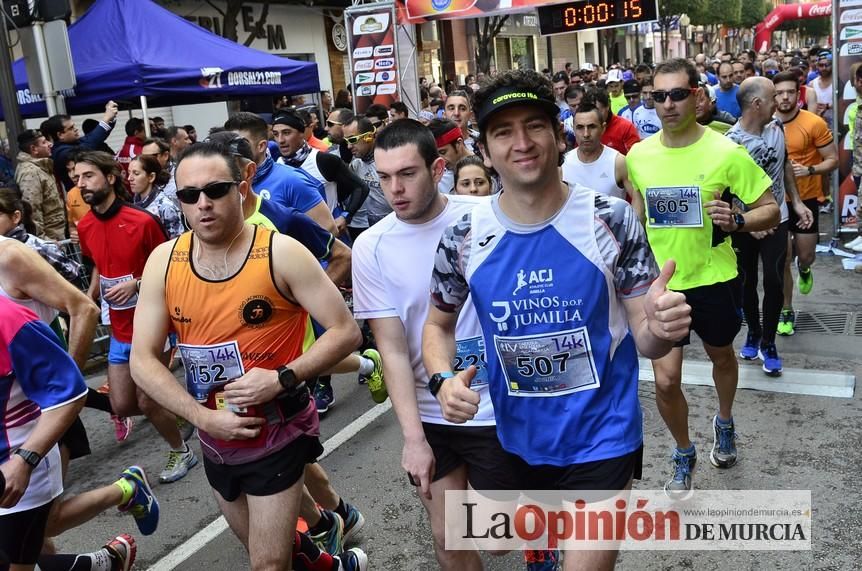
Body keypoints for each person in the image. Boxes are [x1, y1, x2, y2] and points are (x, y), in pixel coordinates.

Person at [421, 70, 691, 571]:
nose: (521, 143)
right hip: (516, 437)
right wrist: (441, 380)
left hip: (602, 435)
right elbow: (437, 325)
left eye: (534, 126)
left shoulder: (609, 218)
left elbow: (646, 339)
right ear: (485, 147)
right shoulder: (463, 233)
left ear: (558, 135)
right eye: (503, 131)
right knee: (500, 540)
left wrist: (662, 325)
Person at [130, 142, 366, 571]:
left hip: (279, 427)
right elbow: (142, 360)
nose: (203, 204)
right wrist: (204, 420)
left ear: (241, 188)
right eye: (189, 195)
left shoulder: (281, 251)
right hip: (215, 435)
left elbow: (345, 331)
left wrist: (283, 378)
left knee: (267, 564)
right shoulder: (164, 262)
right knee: (266, 550)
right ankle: (332, 563)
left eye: (216, 190)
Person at [352, 119, 534, 570]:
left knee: (496, 540)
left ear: (437, 170)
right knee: (448, 536)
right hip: (432, 411)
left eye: (407, 174)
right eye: (384, 177)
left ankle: (538, 526)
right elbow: (390, 349)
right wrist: (413, 438)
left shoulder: (487, 216)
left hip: (496, 405)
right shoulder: (371, 247)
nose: (395, 188)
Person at [626, 59, 780, 498]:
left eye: (677, 94)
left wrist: (736, 219)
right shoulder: (639, 156)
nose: (668, 104)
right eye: (659, 96)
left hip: (715, 278)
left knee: (722, 359)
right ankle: (683, 451)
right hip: (663, 285)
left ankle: (725, 421)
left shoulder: (726, 151)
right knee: (666, 380)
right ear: (651, 101)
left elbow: (769, 208)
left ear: (696, 95)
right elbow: (638, 214)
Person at [74, 151, 198, 483]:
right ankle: (181, 410)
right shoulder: (84, 225)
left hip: (153, 323)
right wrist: (91, 294)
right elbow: (99, 262)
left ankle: (180, 452)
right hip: (119, 328)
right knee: (124, 404)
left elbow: (174, 267)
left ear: (110, 178)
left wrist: (136, 284)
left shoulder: (141, 221)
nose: (81, 184)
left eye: (88, 176)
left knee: (147, 397)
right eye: (76, 179)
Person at [726, 77, 813, 377]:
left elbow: (784, 164)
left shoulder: (777, 128)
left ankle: (769, 342)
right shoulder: (730, 141)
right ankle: (752, 332)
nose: (779, 101)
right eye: (773, 96)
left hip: (778, 217)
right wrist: (749, 219)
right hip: (746, 225)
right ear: (756, 104)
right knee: (746, 283)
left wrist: (797, 202)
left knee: (775, 280)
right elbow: (723, 189)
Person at [772, 71, 838, 336]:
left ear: (798, 93)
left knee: (805, 255)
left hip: (807, 198)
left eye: (790, 92)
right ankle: (787, 309)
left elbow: (832, 160)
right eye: (779, 93)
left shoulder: (813, 123)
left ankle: (806, 268)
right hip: (777, 202)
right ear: (772, 95)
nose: (785, 97)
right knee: (784, 258)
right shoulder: (766, 124)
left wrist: (809, 171)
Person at [224, 112, 338, 235]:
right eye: (230, 144)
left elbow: (329, 229)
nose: (233, 150)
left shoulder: (291, 180)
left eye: (241, 144)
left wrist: (285, 252)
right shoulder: (226, 185)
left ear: (261, 146)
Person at [271, 110, 369, 239]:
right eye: (275, 134)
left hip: (331, 240)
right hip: (299, 243)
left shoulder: (324, 160)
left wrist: (345, 216)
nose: (280, 140)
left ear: (302, 133)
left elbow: (360, 188)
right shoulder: (276, 166)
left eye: (286, 133)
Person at [562, 99, 633, 201]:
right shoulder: (564, 163)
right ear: (573, 129)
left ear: (603, 128)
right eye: (580, 127)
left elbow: (637, 199)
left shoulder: (618, 162)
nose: (586, 134)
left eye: (592, 127)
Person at [41, 101, 119, 191]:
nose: (76, 129)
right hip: (79, 195)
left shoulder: (73, 143)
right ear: (60, 135)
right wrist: (106, 118)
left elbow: (94, 137)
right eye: (71, 128)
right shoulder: (60, 153)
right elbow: (89, 144)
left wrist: (111, 118)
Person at [344, 115, 392, 233]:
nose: (349, 146)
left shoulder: (389, 161)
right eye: (346, 141)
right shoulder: (355, 164)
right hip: (370, 228)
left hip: (394, 226)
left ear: (369, 137)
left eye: (353, 140)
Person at [15, 130, 65, 241]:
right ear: (34, 149)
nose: (49, 144)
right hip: (49, 239)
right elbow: (32, 209)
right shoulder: (31, 172)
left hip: (56, 235)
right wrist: (43, 240)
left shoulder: (42, 166)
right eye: (44, 142)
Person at [128, 155, 185, 238]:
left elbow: (177, 241)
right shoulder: (133, 203)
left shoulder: (165, 207)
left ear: (151, 177)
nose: (129, 178)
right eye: (129, 173)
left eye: (136, 173)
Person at [581, 90, 640, 155]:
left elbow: (635, 157)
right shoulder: (581, 129)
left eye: (597, 111)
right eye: (589, 111)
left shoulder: (625, 127)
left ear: (608, 107)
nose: (593, 115)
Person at [428, 119, 474, 195]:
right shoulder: (438, 179)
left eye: (443, 152)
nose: (440, 160)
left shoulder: (486, 170)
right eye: (435, 155)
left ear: (459, 143)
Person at [114, 118, 147, 185]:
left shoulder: (119, 151)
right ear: (136, 132)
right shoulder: (140, 151)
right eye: (144, 131)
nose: (146, 133)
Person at [806, 51, 834, 128]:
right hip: (817, 124)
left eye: (827, 65)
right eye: (821, 65)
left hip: (835, 126)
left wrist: (828, 106)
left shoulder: (837, 83)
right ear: (817, 66)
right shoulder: (812, 84)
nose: (824, 68)